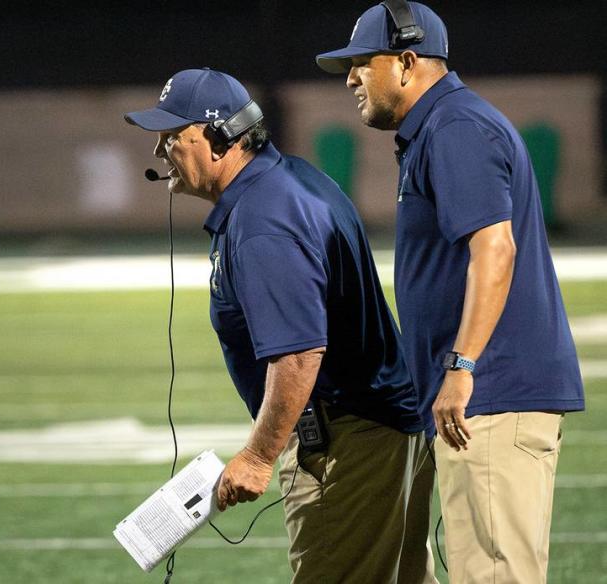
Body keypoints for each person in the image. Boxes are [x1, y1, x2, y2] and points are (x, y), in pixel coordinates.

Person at [124, 68, 437, 583]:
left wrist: (256, 456)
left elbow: (298, 353)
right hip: (375, 430)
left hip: (350, 441)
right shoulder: (278, 185)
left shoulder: (265, 219)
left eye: (172, 136)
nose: (160, 152)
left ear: (222, 139)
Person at [316, 2, 585, 582]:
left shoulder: (456, 127)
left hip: (490, 395)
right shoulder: (437, 128)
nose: (351, 78)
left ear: (408, 62)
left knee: (492, 575)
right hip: (471, 399)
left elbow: (495, 248)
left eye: (363, 62)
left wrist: (462, 366)